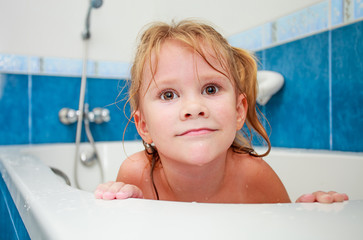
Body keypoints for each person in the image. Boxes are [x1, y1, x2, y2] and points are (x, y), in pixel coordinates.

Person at [95, 20, 348, 203]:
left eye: (211, 89)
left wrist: (309, 216)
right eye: (168, 94)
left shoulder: (254, 176)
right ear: (144, 126)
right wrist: (125, 210)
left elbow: (283, 229)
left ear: (239, 111)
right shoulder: (136, 174)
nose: (194, 108)